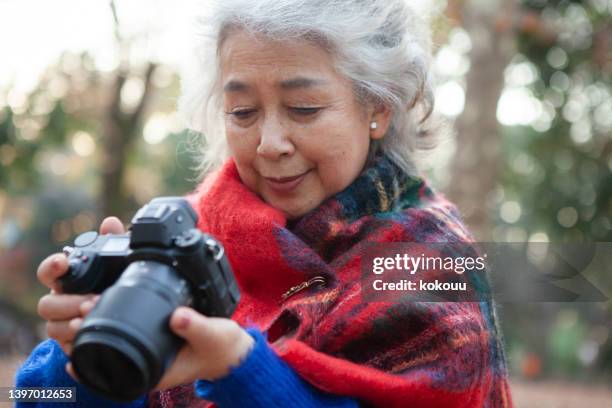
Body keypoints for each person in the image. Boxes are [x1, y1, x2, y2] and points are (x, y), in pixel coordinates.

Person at [15, 0, 513, 406]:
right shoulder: (189, 235)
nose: (270, 142)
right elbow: (41, 398)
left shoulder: (428, 259)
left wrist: (241, 370)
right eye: (243, 112)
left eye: (304, 109)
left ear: (378, 108)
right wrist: (84, 351)